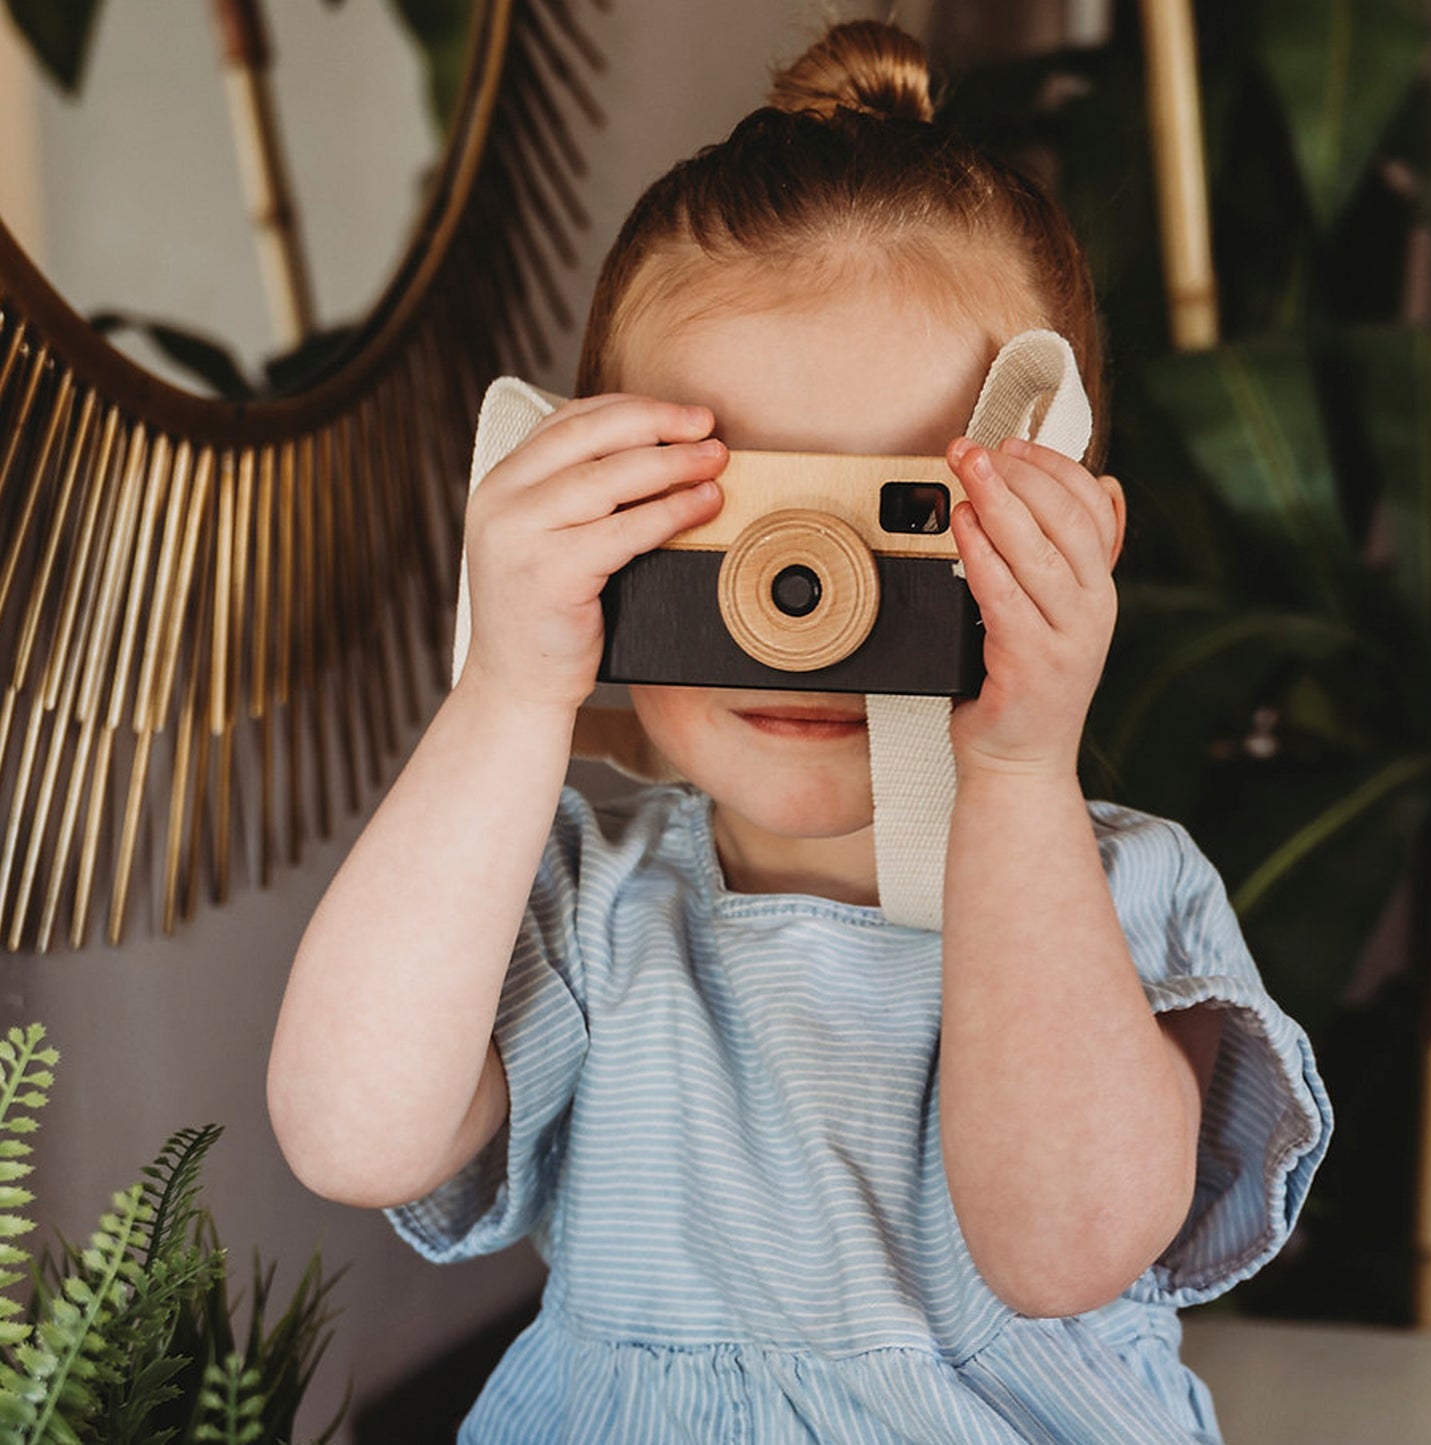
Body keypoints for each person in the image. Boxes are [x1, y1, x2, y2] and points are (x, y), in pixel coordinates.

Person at [267, 21, 1330, 1443]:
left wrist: (1014, 769)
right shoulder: (589, 905)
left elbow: (1060, 1247)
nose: (804, 605)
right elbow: (352, 1134)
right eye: (741, 520)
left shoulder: (1127, 902)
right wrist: (509, 689)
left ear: (1076, 539)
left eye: (904, 520)